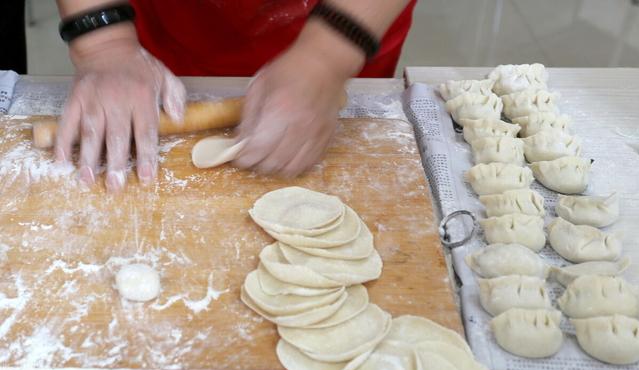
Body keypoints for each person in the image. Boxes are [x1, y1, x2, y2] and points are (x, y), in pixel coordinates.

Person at [55, 0, 417, 192]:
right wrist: (103, 41)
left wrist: (327, 55)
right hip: (170, 23)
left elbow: (330, 55)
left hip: (346, 18)